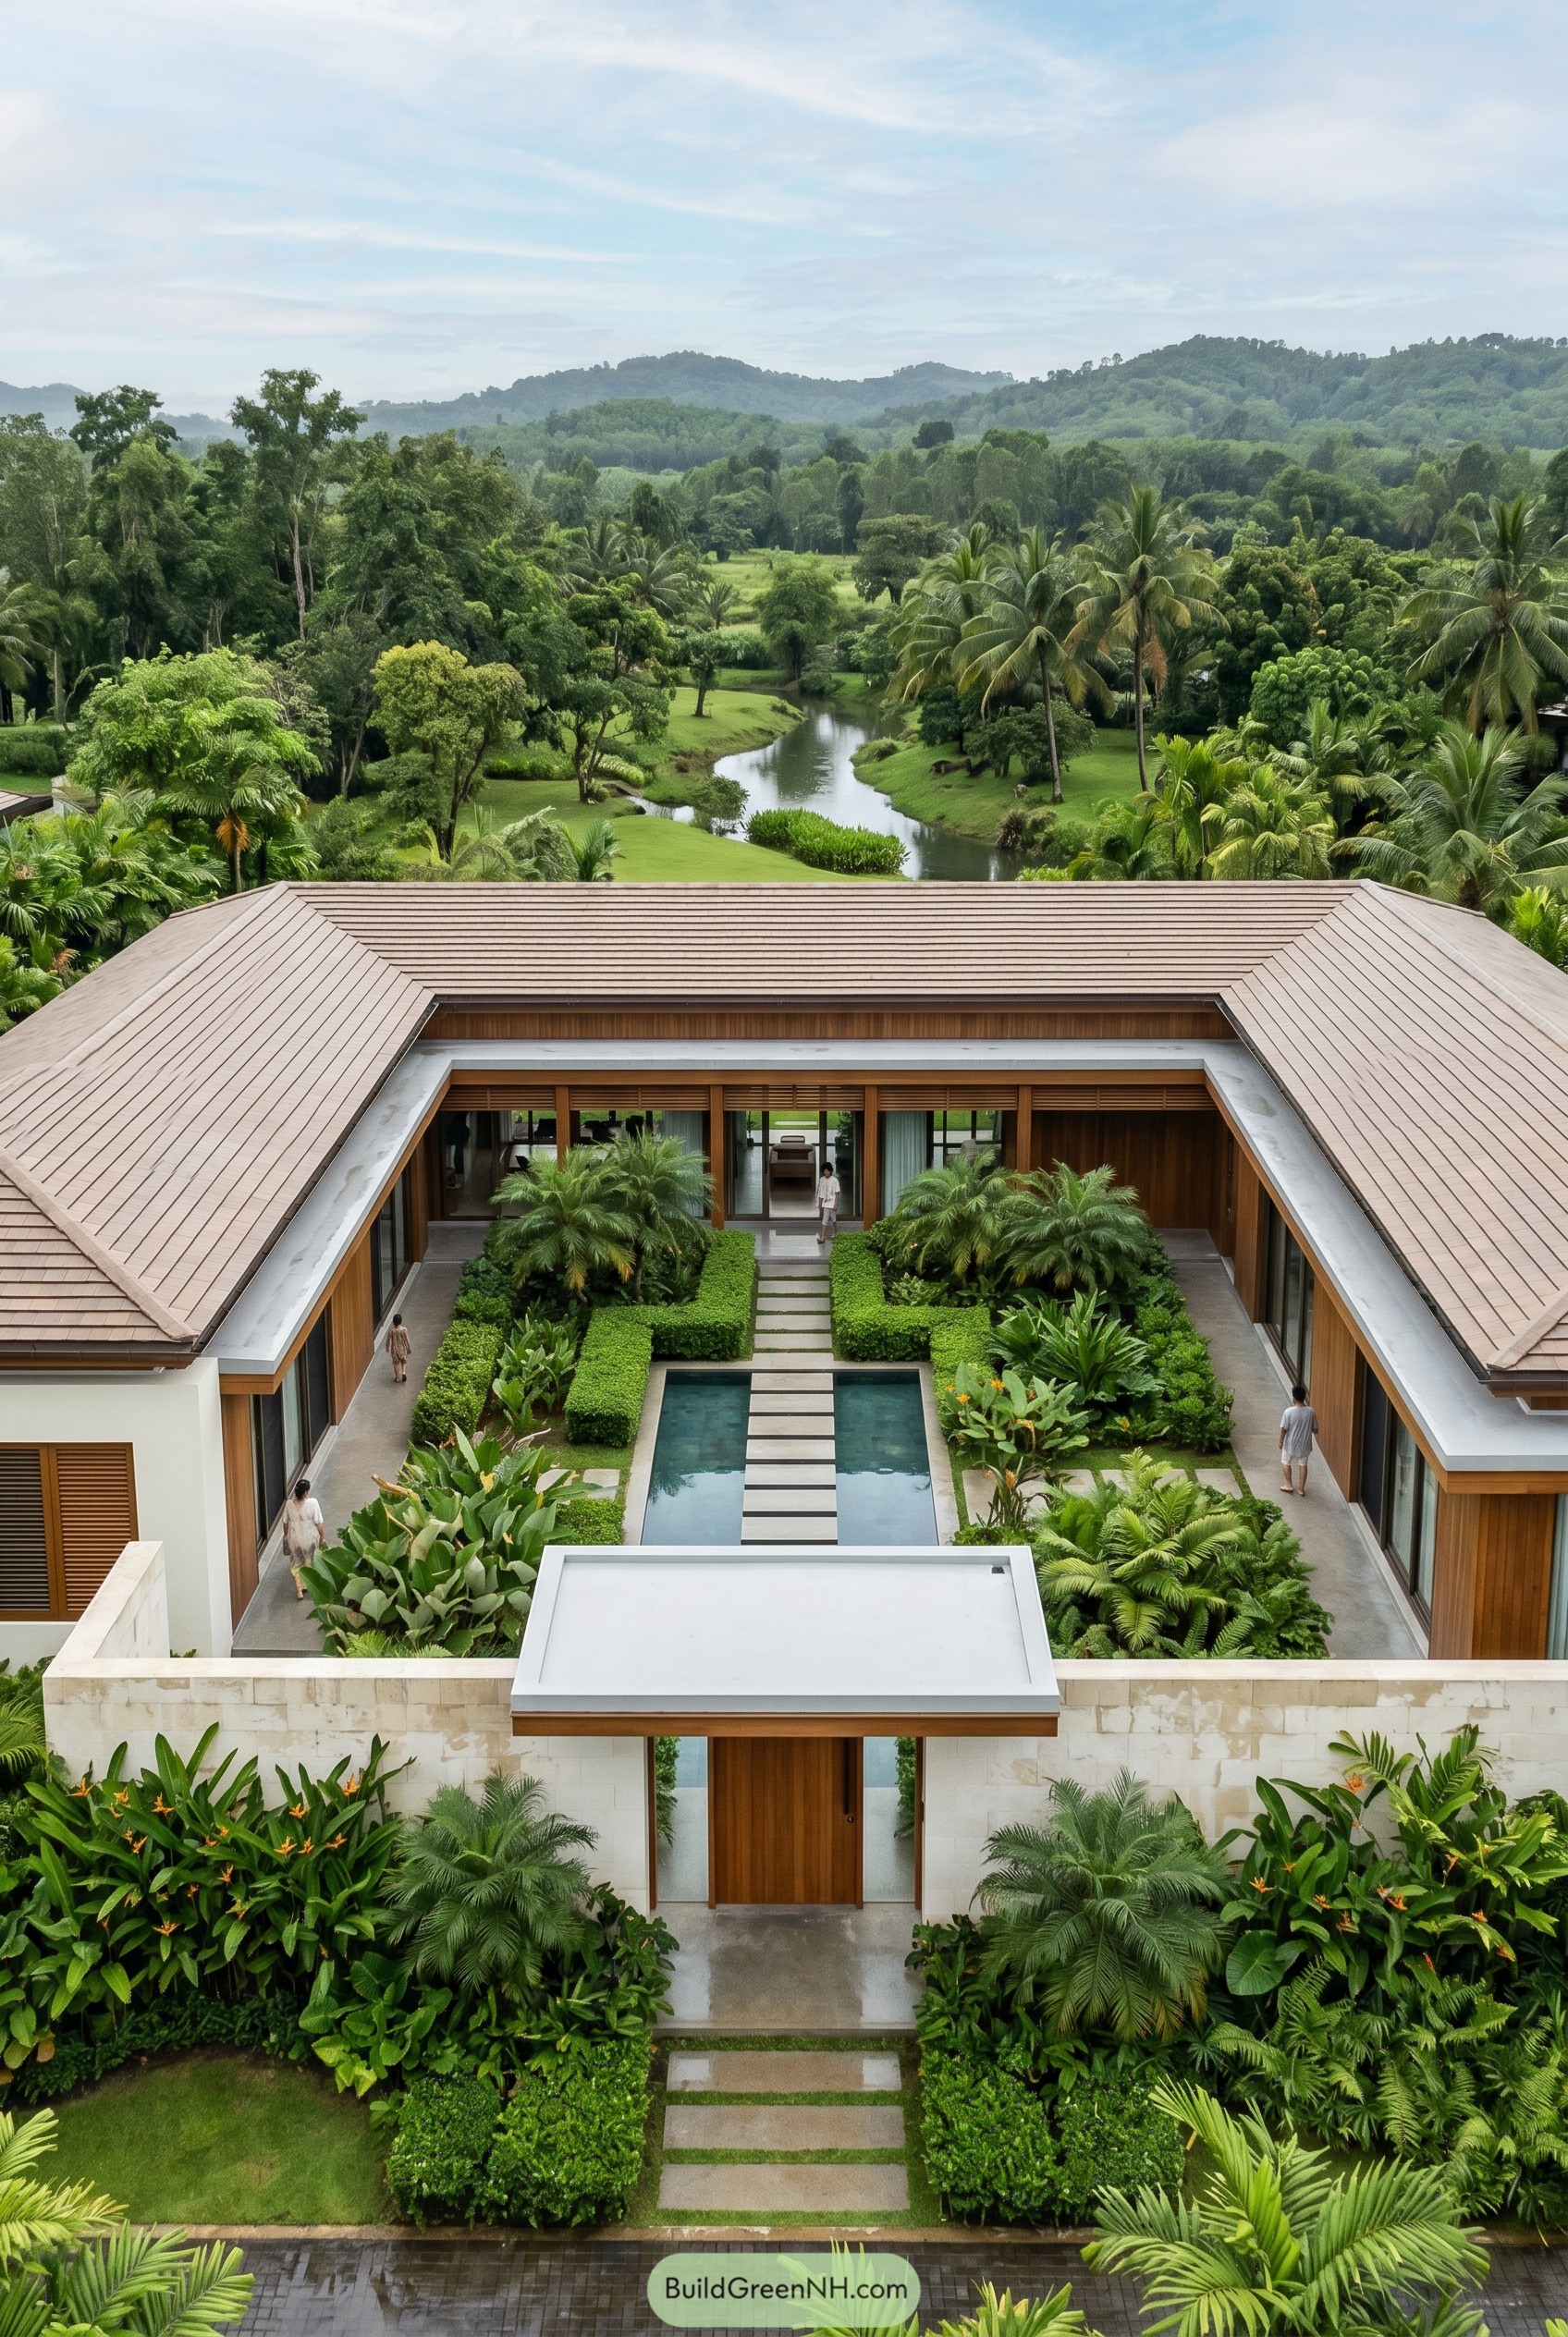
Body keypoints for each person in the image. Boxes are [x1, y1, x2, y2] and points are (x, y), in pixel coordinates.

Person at [282, 1477, 325, 1600]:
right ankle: (306, 1584)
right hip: (309, 1537)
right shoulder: (313, 1503)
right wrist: (322, 1536)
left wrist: (286, 1536)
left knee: (296, 1562)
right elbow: (319, 1523)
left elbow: (285, 1523)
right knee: (309, 1560)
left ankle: (299, 1588)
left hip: (294, 1538)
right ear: (306, 1492)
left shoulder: (289, 1504)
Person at [1279, 1383, 1319, 1498]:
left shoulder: (1288, 1412)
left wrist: (1281, 1441)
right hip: (1305, 1444)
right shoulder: (1311, 1411)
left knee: (1286, 1462)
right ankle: (1301, 1489)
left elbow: (1283, 1429)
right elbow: (1316, 1430)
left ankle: (1289, 1484)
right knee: (1303, 1465)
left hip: (1290, 1444)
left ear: (1294, 1397)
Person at [815, 1160, 841, 1244]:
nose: (826, 1172)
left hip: (832, 1203)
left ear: (830, 1171)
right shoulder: (822, 1180)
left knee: (834, 1220)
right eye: (825, 1171)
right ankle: (823, 1237)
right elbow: (821, 1192)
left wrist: (836, 1204)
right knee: (825, 1220)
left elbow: (837, 1193)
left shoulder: (835, 1180)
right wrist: (819, 1203)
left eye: (827, 1170)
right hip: (825, 1204)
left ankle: (836, 1234)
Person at [386, 1311, 411, 1384]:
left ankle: (397, 1377)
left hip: (395, 1349)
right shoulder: (404, 1330)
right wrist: (409, 1347)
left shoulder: (391, 1331)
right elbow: (407, 1339)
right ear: (400, 1321)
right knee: (404, 1361)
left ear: (393, 1321)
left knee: (396, 1363)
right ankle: (403, 1372)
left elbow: (388, 1340)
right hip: (403, 1347)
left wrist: (387, 1347)